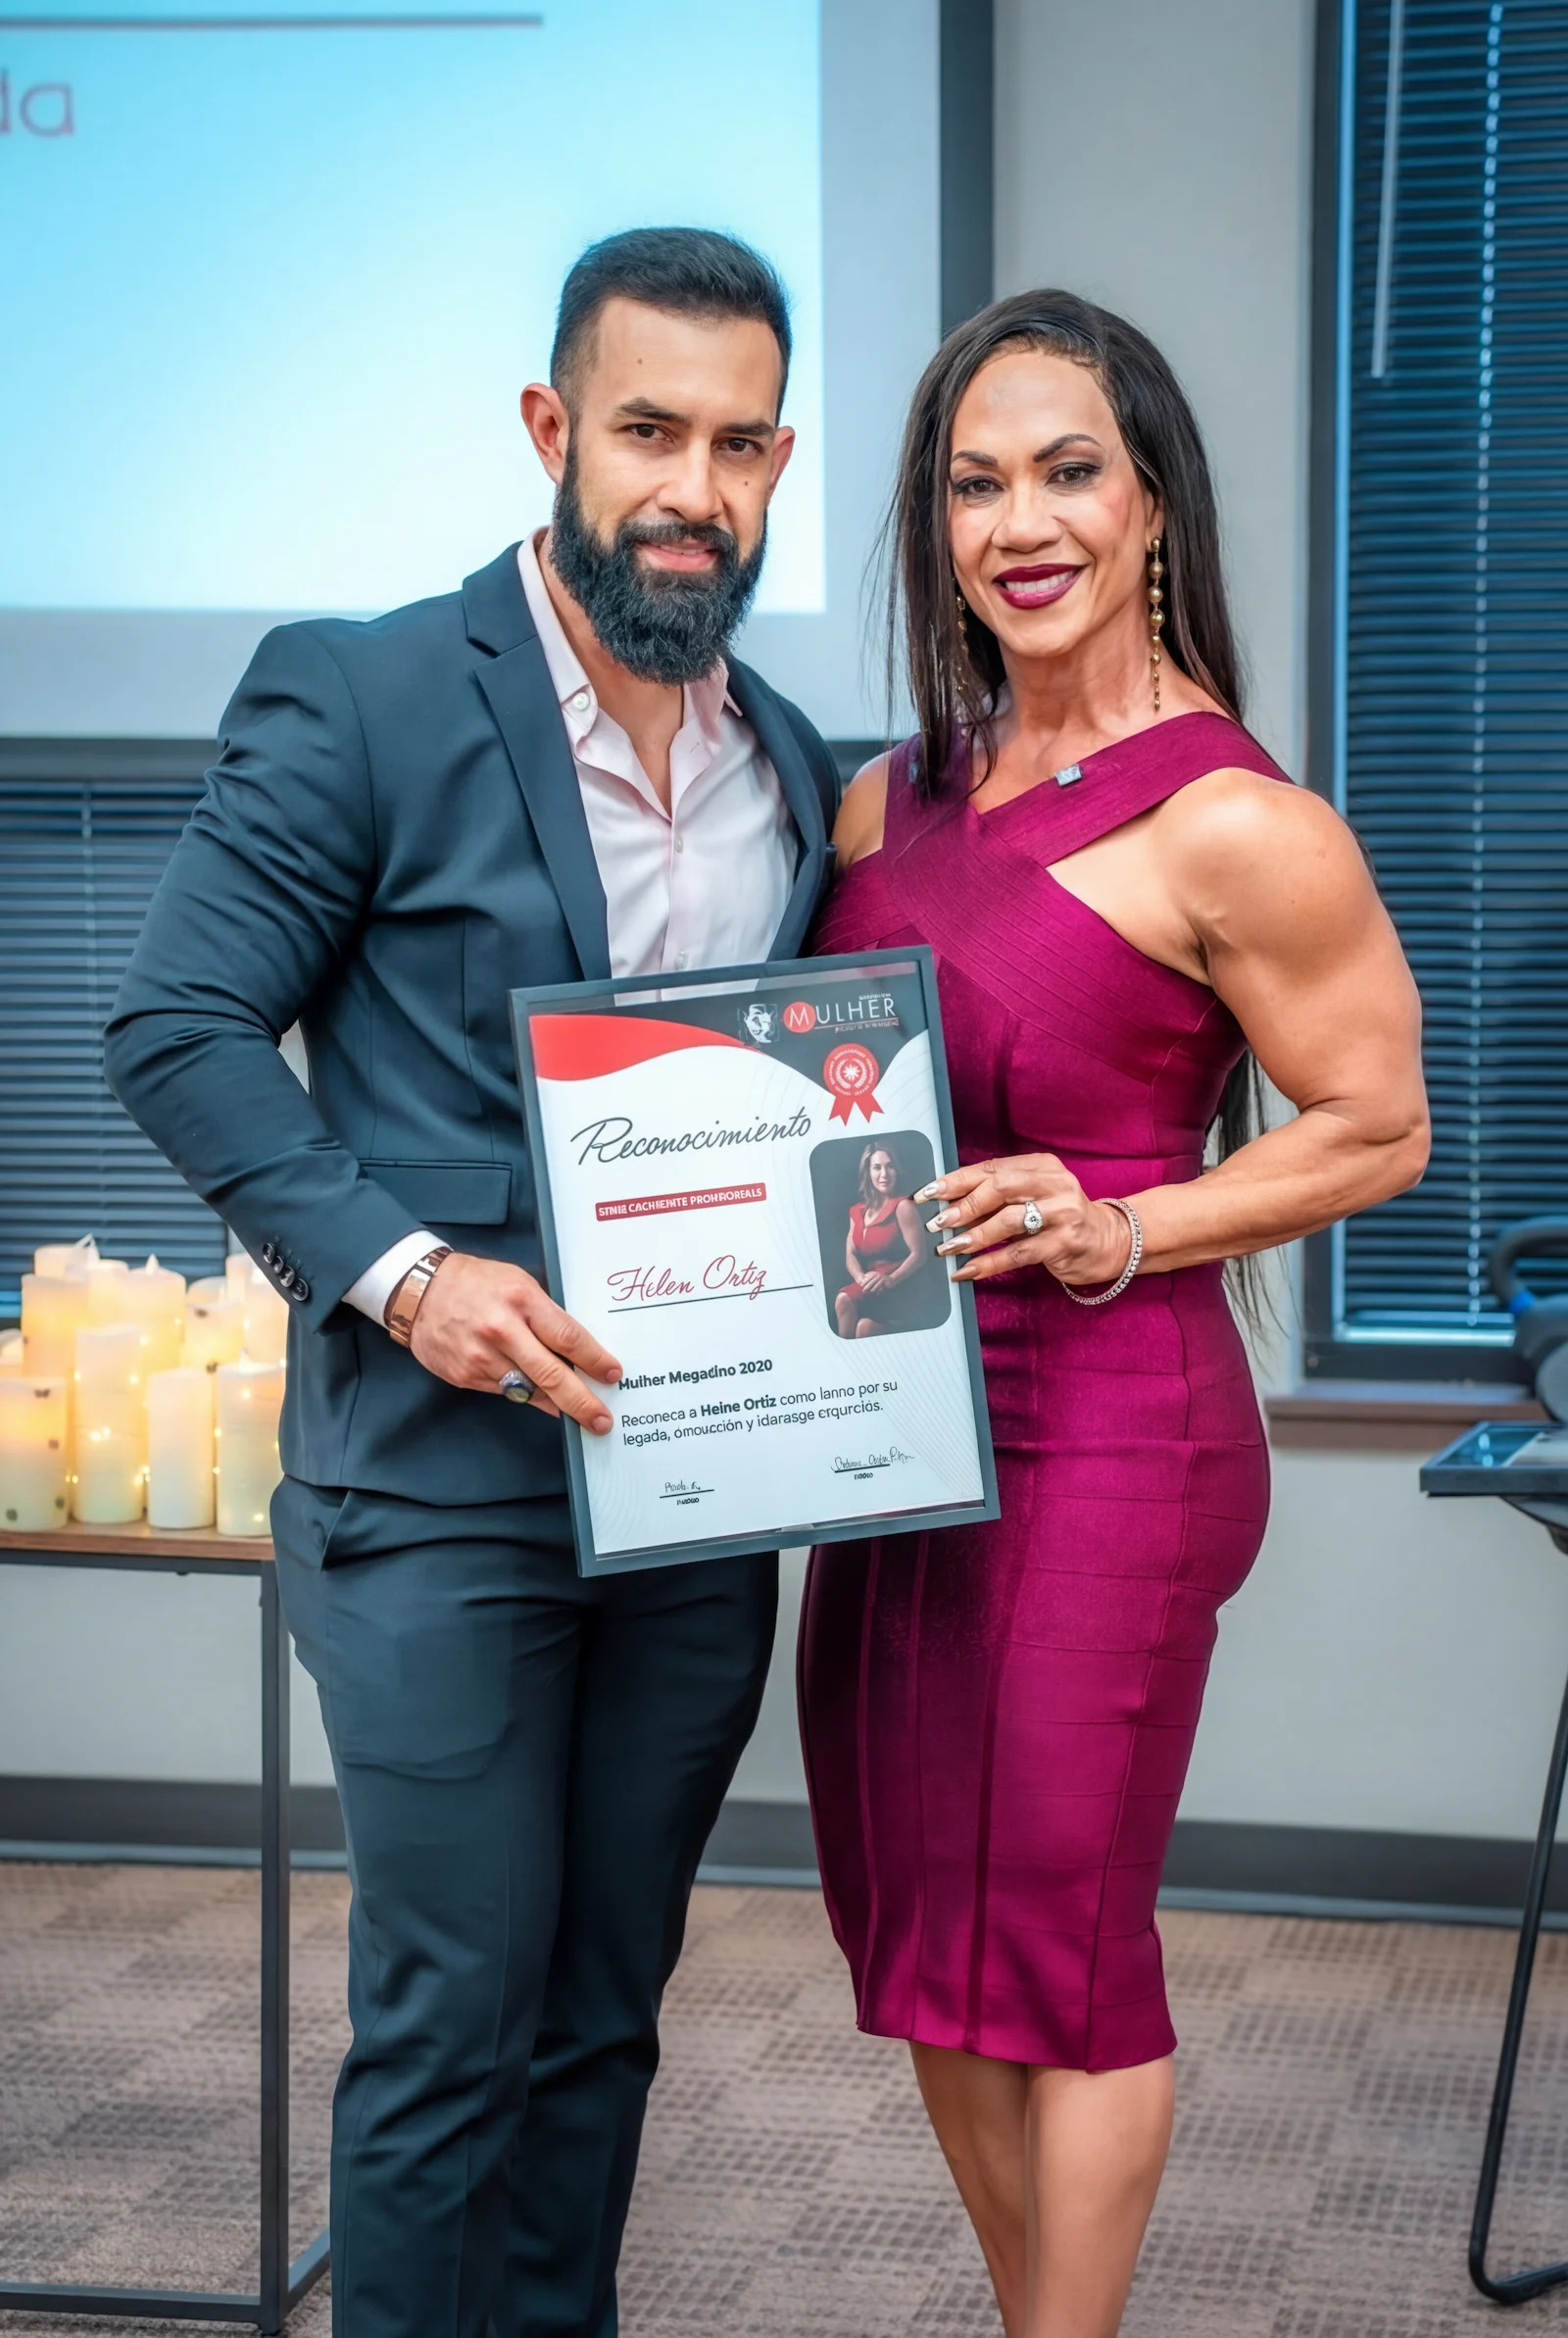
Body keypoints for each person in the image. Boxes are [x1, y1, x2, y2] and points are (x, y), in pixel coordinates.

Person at [105, 227, 837, 2338]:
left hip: (693, 1505)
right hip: (431, 1496)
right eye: (642, 429)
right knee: (448, 2027)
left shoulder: (791, 763)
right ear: (551, 431)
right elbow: (175, 1029)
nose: (687, 480)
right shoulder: (365, 688)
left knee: (604, 2019)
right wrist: (407, 1275)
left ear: (775, 457)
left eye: (730, 438)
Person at [797, 289, 1430, 2337]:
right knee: (925, 1932)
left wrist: (1126, 1222)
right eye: (974, 481)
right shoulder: (887, 806)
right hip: (894, 1438)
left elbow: (1372, 1125)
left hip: (1110, 1435)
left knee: (1058, 1946)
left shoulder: (1234, 823)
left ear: (1152, 500)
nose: (1020, 518)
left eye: (1067, 468)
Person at [835, 1139, 940, 1337]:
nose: (884, 1174)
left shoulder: (903, 1206)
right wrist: (860, 1279)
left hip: (902, 1285)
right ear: (868, 1172)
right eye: (877, 1167)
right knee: (843, 1300)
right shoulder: (856, 1212)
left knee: (864, 1328)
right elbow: (850, 1253)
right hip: (872, 1285)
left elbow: (919, 1254)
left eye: (889, 1166)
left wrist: (892, 1279)